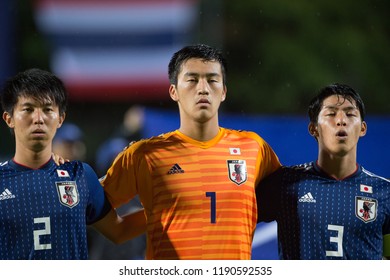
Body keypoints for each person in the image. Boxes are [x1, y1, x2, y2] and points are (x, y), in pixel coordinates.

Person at [100, 44, 281, 260]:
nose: (203, 88)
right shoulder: (144, 154)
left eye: (212, 80)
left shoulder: (254, 148)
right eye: (192, 80)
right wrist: (152, 216)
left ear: (223, 92)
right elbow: (101, 215)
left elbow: (286, 203)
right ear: (173, 91)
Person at [0, 68, 145, 259]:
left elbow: (119, 231)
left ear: (60, 118)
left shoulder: (81, 175)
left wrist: (164, 208)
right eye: (28, 109)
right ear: (9, 119)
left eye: (47, 109)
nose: (38, 118)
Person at [256, 83, 390, 259]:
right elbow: (232, 219)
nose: (341, 120)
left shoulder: (384, 192)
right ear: (314, 129)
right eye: (331, 114)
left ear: (363, 128)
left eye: (350, 114)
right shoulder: (285, 184)